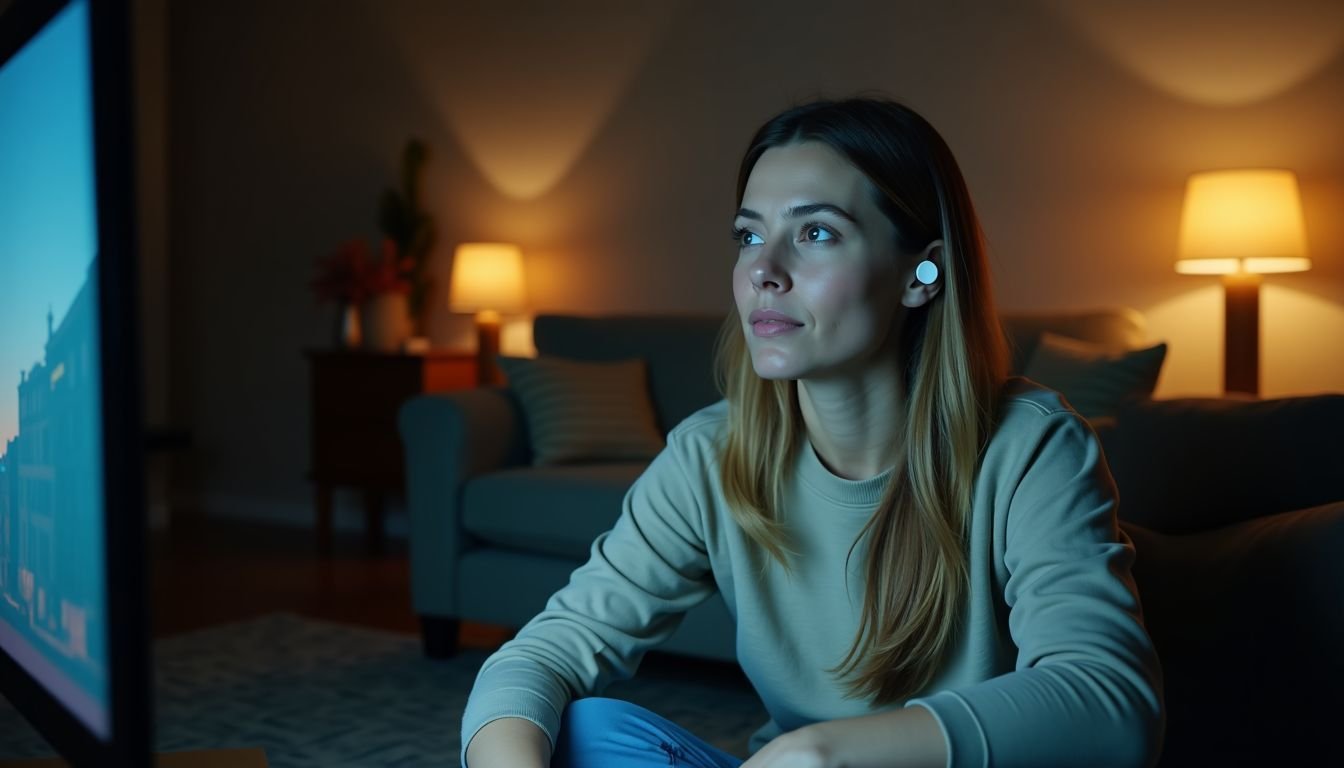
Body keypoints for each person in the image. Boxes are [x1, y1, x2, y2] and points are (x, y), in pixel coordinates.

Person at [461, 96, 1165, 768]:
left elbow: (1110, 706)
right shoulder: (712, 454)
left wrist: (824, 752)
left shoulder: (1030, 446)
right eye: (748, 236)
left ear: (923, 274)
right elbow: (543, 655)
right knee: (580, 733)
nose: (763, 271)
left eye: (816, 232)